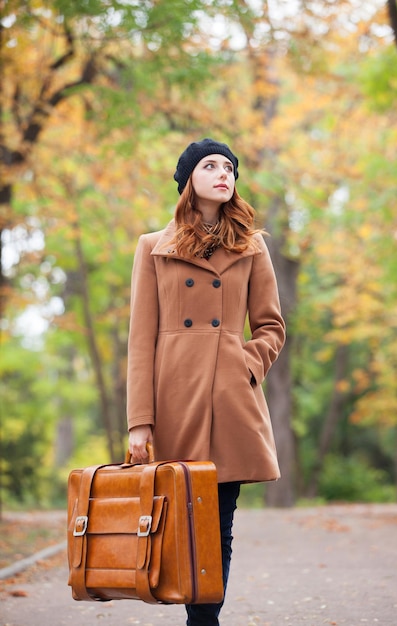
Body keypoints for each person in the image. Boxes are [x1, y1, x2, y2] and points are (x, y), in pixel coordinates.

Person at [127, 138, 286, 626]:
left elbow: (271, 326)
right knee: (180, 521)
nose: (224, 173)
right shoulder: (153, 247)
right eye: (210, 165)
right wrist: (140, 421)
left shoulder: (251, 245)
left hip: (230, 401)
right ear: (188, 179)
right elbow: (140, 340)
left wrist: (245, 365)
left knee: (219, 524)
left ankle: (204, 619)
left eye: (230, 167)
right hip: (176, 399)